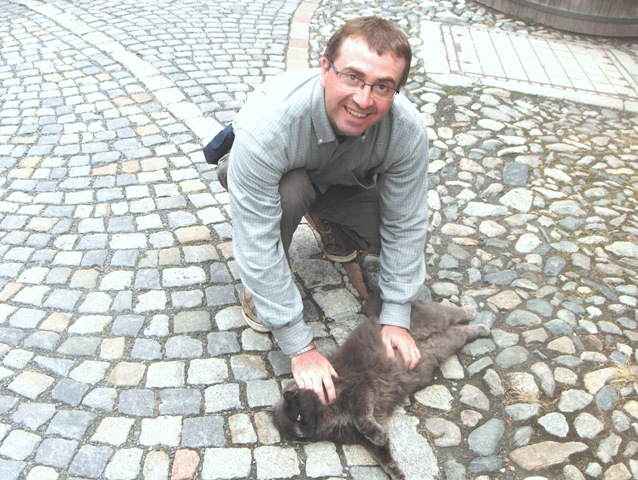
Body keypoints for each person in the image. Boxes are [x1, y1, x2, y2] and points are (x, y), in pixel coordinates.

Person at [216, 16, 429, 404]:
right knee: (289, 191)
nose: (364, 99)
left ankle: (328, 219)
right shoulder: (268, 127)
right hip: (283, 180)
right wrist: (300, 346)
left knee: (383, 235)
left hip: (344, 180)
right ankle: (258, 292)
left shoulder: (407, 131)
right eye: (352, 77)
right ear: (324, 69)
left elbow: (407, 221)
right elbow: (256, 238)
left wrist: (397, 315)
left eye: (382, 86)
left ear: (397, 90)